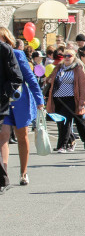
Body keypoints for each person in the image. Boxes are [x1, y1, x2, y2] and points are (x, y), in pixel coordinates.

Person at [0, 27, 41, 187]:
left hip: (19, 100)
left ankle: (23, 172)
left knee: (22, 136)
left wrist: (39, 100)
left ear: (7, 39)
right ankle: (4, 173)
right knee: (3, 135)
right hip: (3, 101)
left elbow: (29, 78)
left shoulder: (17, 54)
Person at [44, 49, 85, 152]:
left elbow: (82, 87)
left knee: (72, 122)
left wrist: (82, 102)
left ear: (74, 57)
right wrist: (49, 80)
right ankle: (68, 142)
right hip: (57, 99)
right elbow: (49, 78)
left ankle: (65, 145)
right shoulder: (59, 67)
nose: (66, 58)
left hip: (72, 99)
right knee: (60, 122)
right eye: (64, 55)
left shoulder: (78, 69)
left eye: (69, 56)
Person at [0, 35, 23, 194]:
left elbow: (17, 77)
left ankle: (2, 180)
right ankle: (3, 179)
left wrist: (3, 94)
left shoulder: (4, 49)